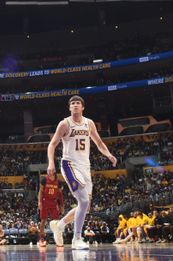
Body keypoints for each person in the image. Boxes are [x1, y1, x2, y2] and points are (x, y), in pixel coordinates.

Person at [46, 96, 117, 250]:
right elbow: (52, 144)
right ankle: (77, 238)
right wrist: (51, 162)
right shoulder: (64, 124)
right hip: (69, 164)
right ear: (69, 108)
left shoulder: (89, 123)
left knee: (85, 205)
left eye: (78, 103)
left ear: (83, 107)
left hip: (85, 167)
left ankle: (60, 225)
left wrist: (109, 154)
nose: (75, 105)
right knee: (84, 201)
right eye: (73, 103)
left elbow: (99, 142)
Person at [37, 174, 64, 247]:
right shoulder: (44, 180)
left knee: (56, 221)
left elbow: (60, 194)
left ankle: (58, 239)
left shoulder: (59, 182)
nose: (50, 173)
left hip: (54, 202)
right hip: (45, 201)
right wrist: (39, 202)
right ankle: (41, 239)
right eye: (49, 171)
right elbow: (40, 192)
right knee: (43, 220)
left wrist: (62, 205)